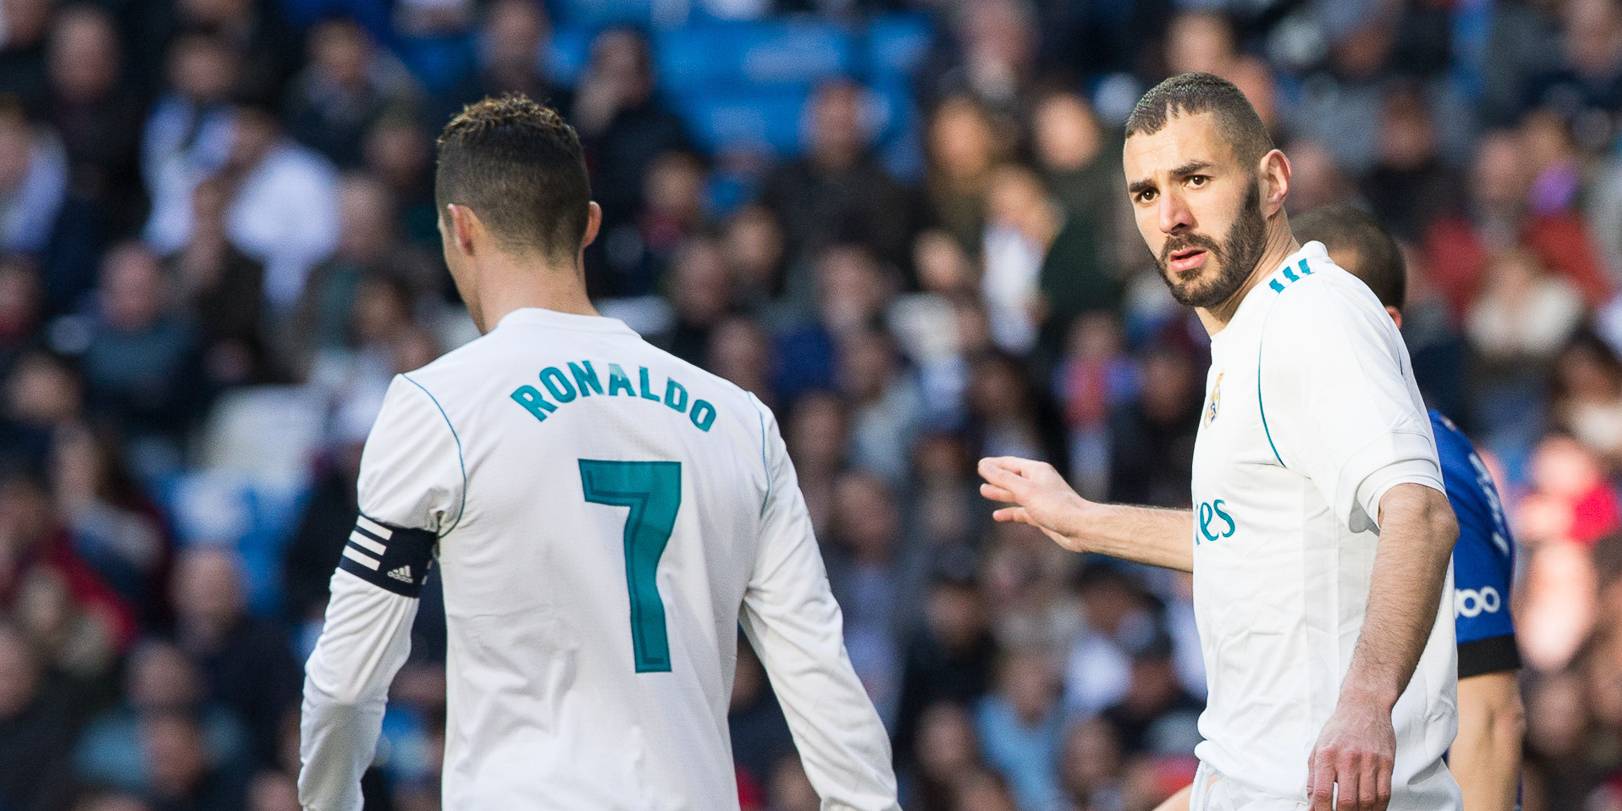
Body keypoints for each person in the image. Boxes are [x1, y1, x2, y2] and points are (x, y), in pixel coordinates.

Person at [297, 95, 897, 810]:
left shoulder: (440, 404)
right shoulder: (742, 420)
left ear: (458, 228)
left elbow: (345, 683)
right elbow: (823, 677)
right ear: (589, 225)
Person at [979, 73, 1462, 810]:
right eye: (1146, 193)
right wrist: (1082, 520)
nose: (1170, 216)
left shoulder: (1313, 318)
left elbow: (1422, 515)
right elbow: (1251, 543)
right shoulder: (1250, 337)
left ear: (1271, 182)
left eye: (1195, 179)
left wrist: (1366, 700)